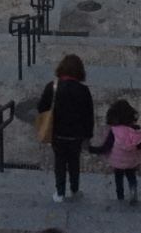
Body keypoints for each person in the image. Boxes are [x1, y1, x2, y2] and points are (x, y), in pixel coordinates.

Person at [37, 54, 94, 203]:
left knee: (60, 162)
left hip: (57, 133)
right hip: (76, 136)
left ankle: (60, 192)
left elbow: (41, 107)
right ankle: (75, 190)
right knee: (74, 162)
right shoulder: (84, 90)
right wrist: (88, 136)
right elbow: (89, 115)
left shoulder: (52, 87)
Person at [88, 98, 141, 203]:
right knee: (131, 176)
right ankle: (133, 191)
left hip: (118, 161)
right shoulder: (136, 129)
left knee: (118, 177)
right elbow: (139, 145)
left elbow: (106, 147)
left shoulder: (114, 131)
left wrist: (91, 149)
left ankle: (120, 196)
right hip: (131, 160)